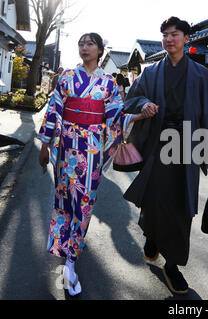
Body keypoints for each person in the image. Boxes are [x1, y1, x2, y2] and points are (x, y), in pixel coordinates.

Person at [37, 32, 148, 297]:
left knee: (84, 203)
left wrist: (138, 116)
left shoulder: (108, 84)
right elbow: (53, 109)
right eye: (81, 43)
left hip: (92, 151)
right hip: (65, 149)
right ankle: (65, 244)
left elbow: (115, 115)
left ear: (100, 50)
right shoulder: (65, 79)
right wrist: (44, 145)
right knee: (64, 199)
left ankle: (71, 260)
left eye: (90, 44)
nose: (84, 48)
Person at [123, 16, 208, 295]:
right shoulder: (150, 72)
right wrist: (144, 103)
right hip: (157, 143)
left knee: (181, 203)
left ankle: (173, 264)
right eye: (165, 34)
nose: (169, 39)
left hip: (187, 146)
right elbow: (131, 99)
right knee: (154, 198)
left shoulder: (201, 74)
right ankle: (152, 238)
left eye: (175, 34)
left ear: (187, 38)